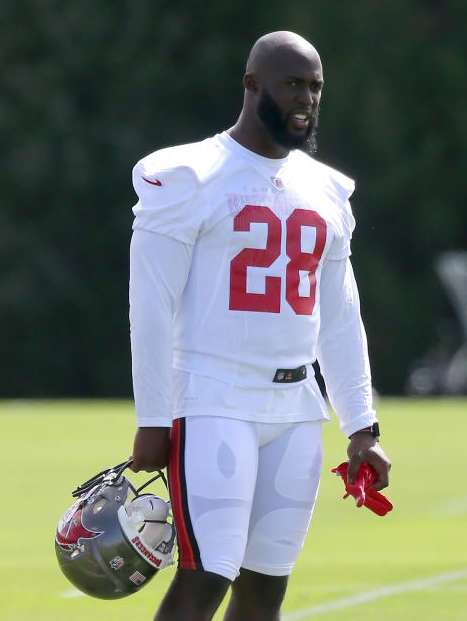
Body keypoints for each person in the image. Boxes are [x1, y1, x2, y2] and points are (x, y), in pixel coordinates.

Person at [127, 31, 392, 621]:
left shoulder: (326, 188)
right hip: (212, 399)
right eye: (292, 84)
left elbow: (341, 317)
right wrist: (152, 419)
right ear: (252, 85)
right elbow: (150, 309)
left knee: (265, 592)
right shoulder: (188, 174)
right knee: (205, 578)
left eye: (315, 87)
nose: (306, 99)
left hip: (296, 409)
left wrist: (361, 425)